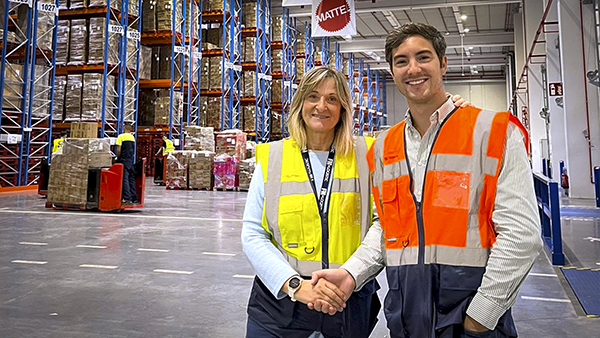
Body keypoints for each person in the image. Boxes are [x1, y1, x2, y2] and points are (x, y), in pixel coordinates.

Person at [310, 22, 543, 338]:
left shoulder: (493, 133)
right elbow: (387, 227)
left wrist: (481, 316)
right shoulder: (383, 147)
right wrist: (352, 274)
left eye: (423, 57)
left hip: (471, 319)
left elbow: (521, 234)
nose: (413, 68)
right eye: (401, 61)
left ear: (443, 63)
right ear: (392, 70)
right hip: (406, 318)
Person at [242, 65, 471, 338]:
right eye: (313, 97)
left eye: (332, 99)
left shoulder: (369, 153)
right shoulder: (273, 157)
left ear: (343, 109)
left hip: (348, 299)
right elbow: (254, 234)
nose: (321, 106)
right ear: (300, 102)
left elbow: (384, 222)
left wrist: (447, 114)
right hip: (280, 304)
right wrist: (294, 285)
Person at [116, 124, 137, 204]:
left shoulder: (121, 137)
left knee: (124, 179)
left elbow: (119, 149)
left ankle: (126, 198)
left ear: (124, 129)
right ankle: (133, 197)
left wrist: (117, 158)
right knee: (131, 179)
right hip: (130, 161)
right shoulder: (132, 137)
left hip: (124, 160)